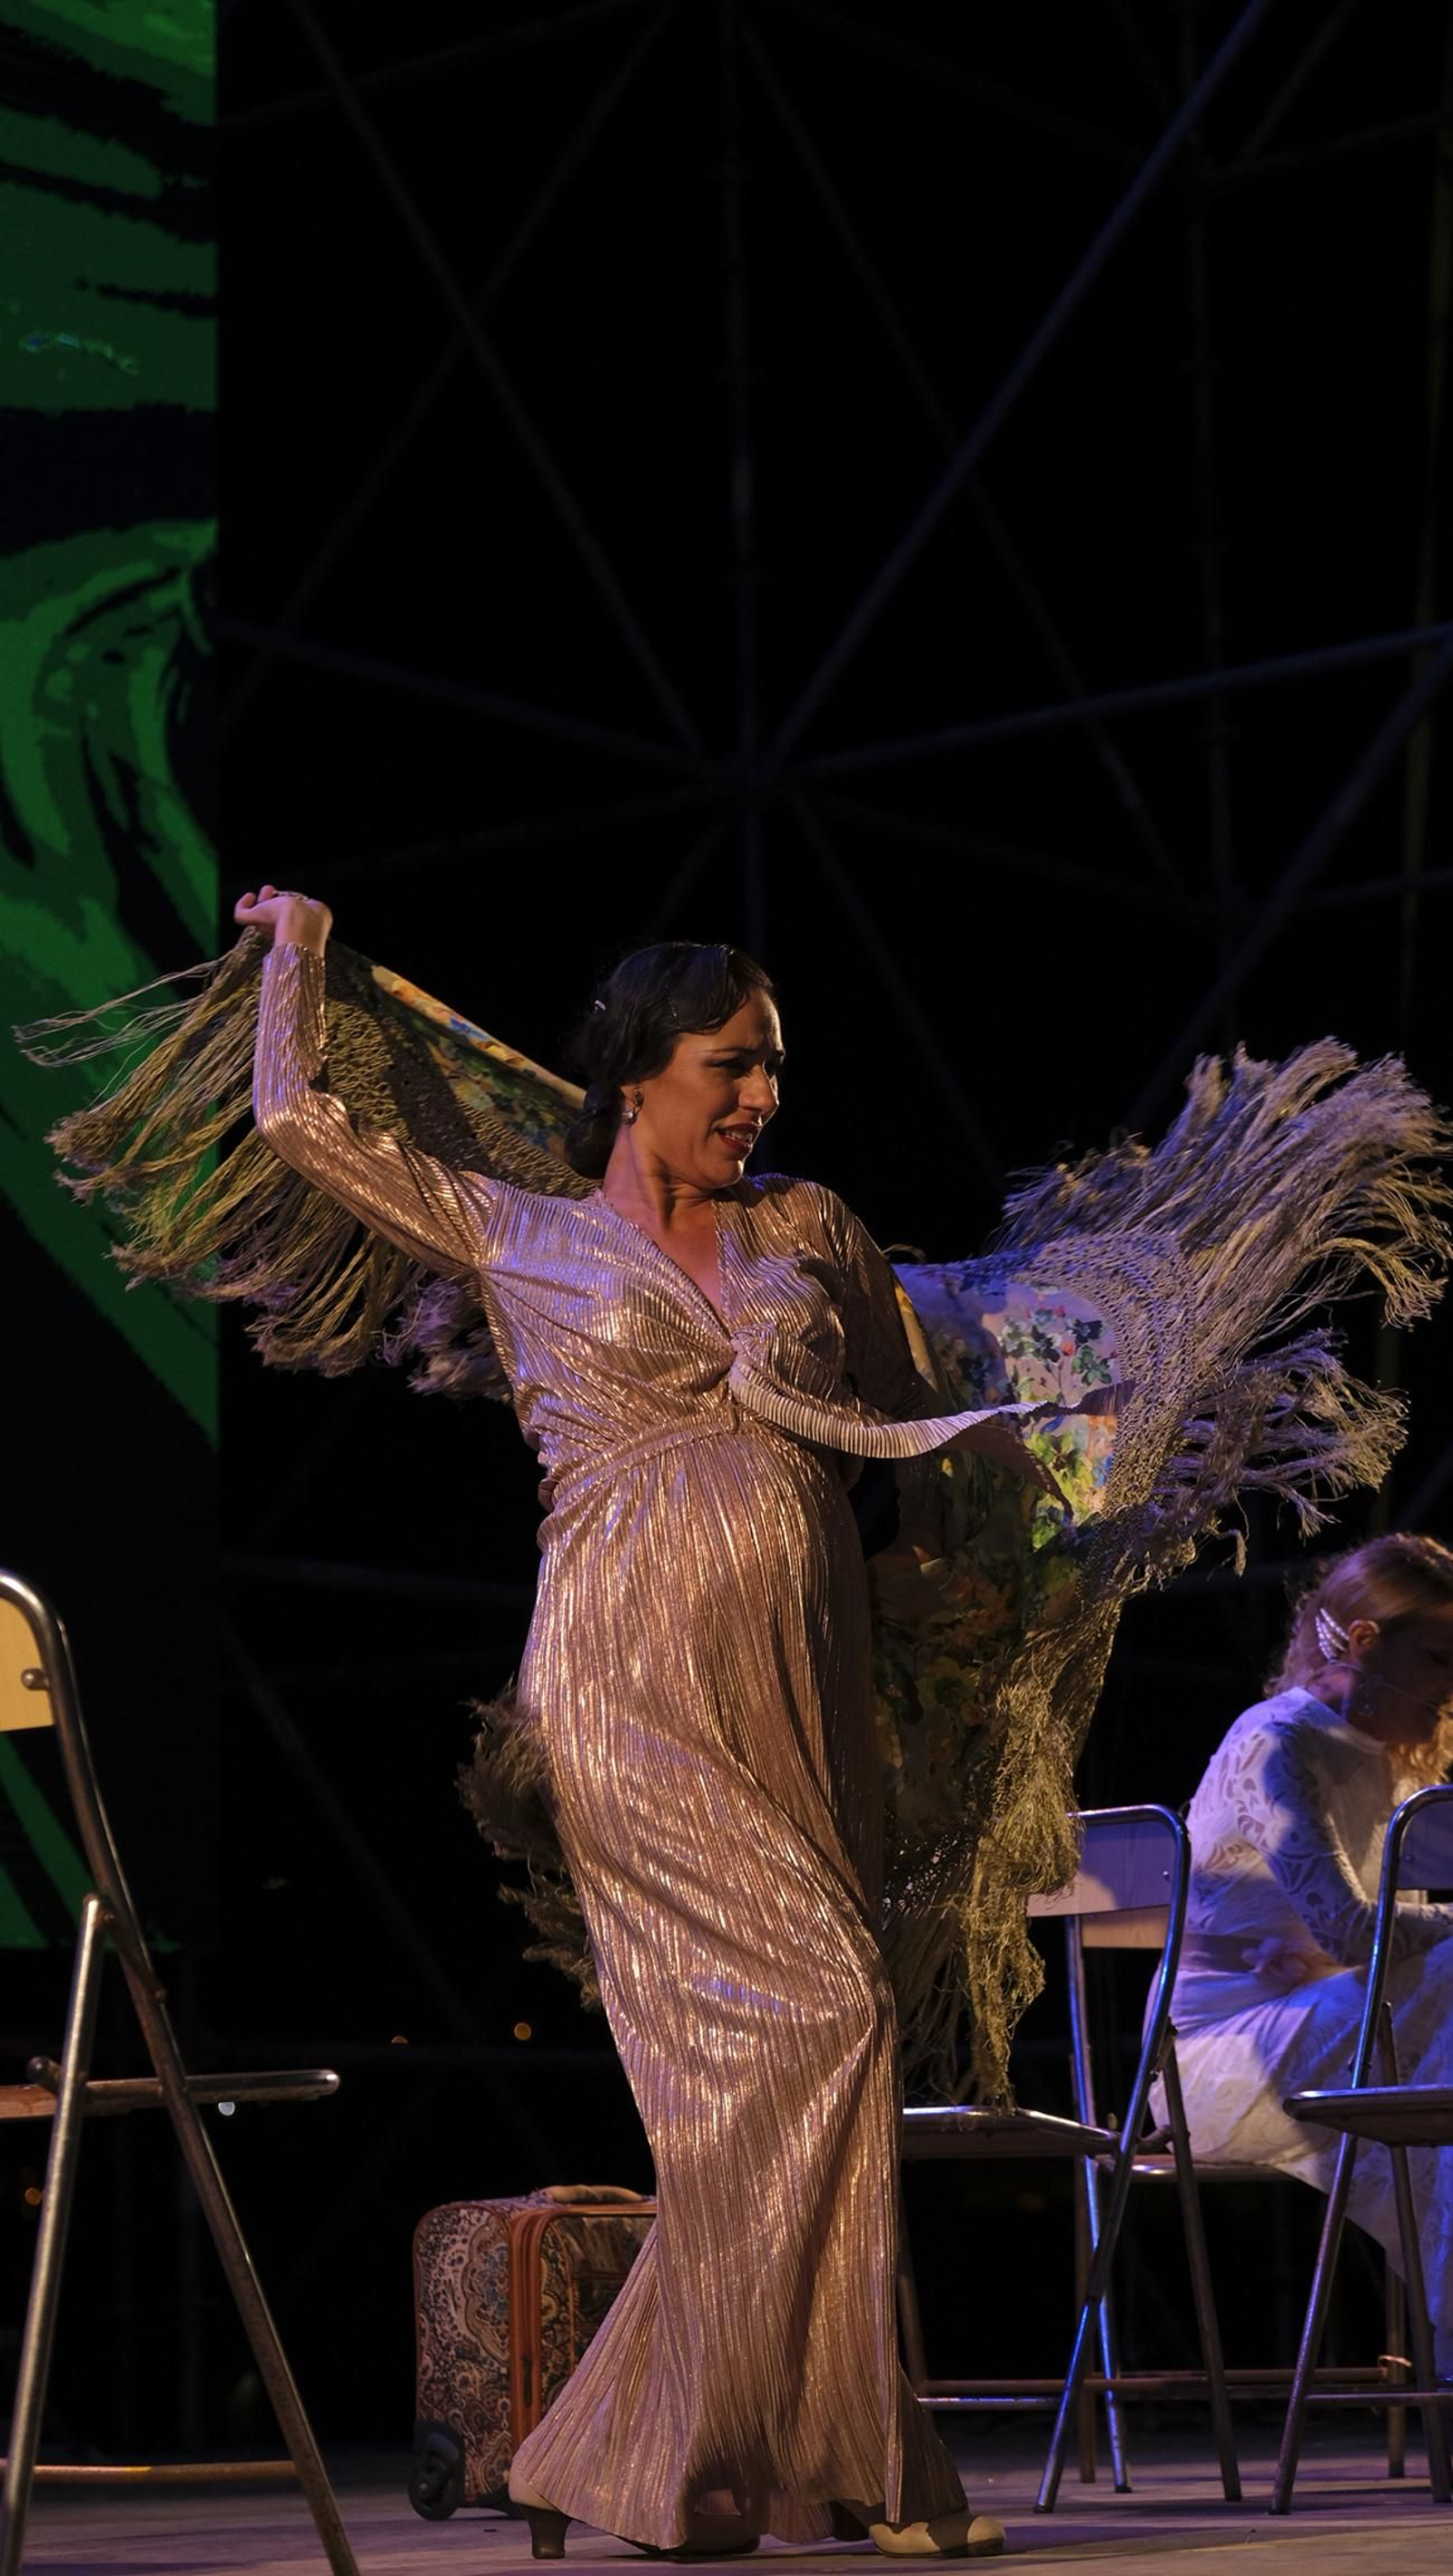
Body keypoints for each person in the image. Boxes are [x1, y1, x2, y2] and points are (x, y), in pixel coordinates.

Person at [232, 883, 1068, 2561]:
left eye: (774, 1065)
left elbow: (900, 1411)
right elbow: (294, 1122)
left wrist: (923, 1558)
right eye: (731, 1062)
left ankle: (736, 2461)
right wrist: (297, 956)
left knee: (790, 2075)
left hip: (801, 1677)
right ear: (636, 1071)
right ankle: (807, 2457)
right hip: (627, 1678)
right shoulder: (519, 1233)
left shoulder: (807, 1225)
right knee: (824, 2018)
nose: (763, 1093)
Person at [1167, 1533, 1453, 2378]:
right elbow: (1354, 1933)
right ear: (1365, 1641)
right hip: (1220, 2060)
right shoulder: (1276, 1741)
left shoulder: (1398, 1766)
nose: (1452, 1684)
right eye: (1439, 1658)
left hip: (1328, 2029)